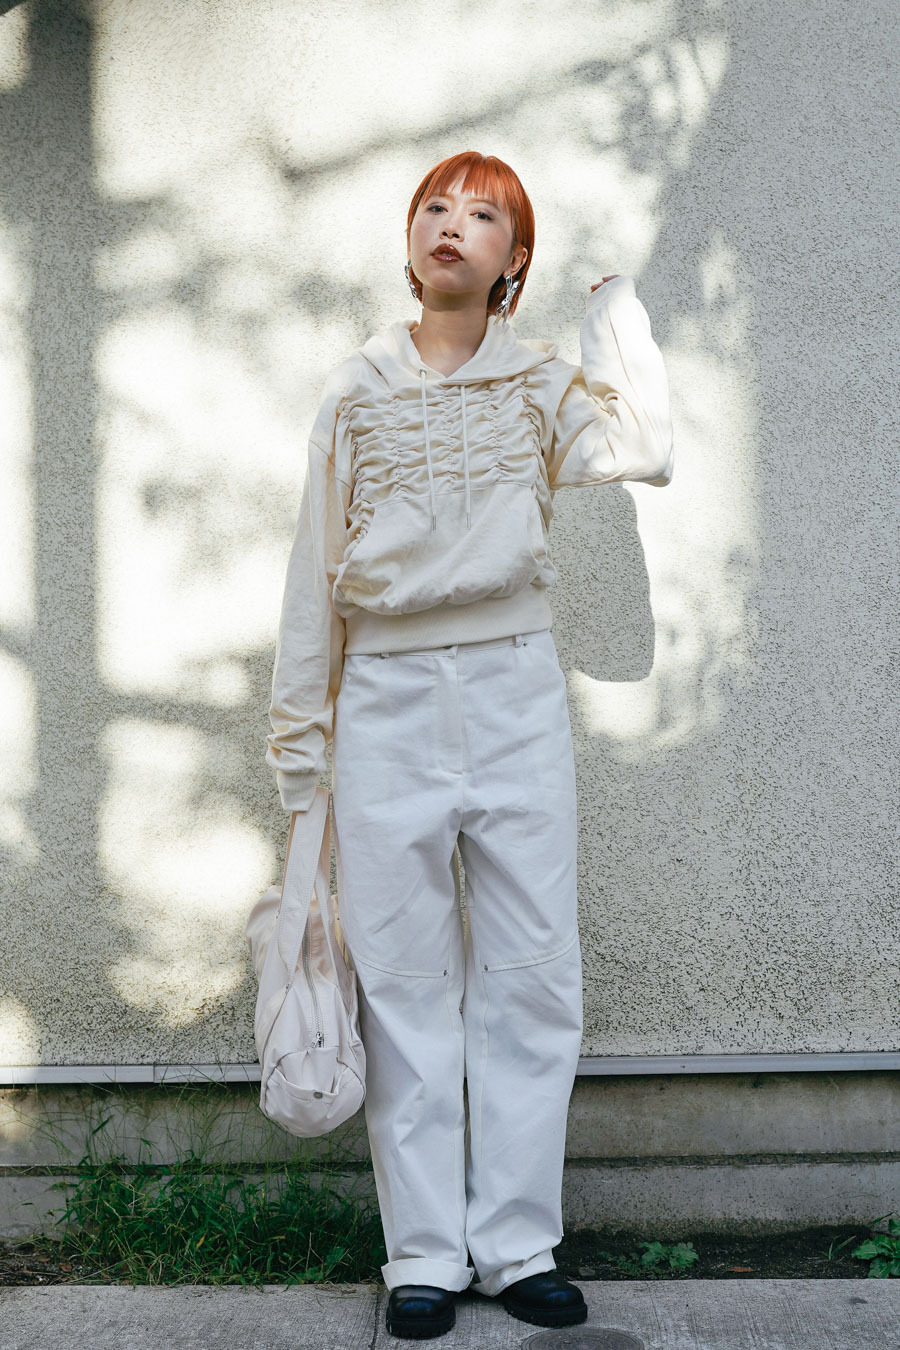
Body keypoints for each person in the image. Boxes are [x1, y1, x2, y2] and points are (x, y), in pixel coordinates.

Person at [265, 150, 674, 1340]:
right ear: (411, 242)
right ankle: (425, 1257)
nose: (452, 224)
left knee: (532, 971)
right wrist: (303, 757)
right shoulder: (355, 390)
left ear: (512, 260)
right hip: (384, 698)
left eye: (482, 214)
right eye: (434, 207)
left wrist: (614, 318)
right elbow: (311, 581)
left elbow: (644, 447)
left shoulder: (541, 382)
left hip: (512, 687)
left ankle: (518, 1243)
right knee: (402, 983)